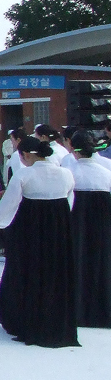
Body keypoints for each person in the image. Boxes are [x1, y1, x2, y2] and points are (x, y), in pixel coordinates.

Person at [0, 136, 77, 348]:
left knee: (30, 271)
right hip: (59, 231)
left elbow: (10, 203)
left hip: (31, 230)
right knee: (56, 272)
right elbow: (69, 201)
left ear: (26, 155)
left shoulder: (24, 174)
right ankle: (56, 320)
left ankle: (27, 319)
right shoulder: (66, 173)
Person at [66, 130, 111, 328]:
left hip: (77, 224)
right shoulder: (107, 171)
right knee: (103, 264)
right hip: (104, 225)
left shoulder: (69, 172)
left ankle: (77, 310)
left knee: (77, 263)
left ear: (73, 149)